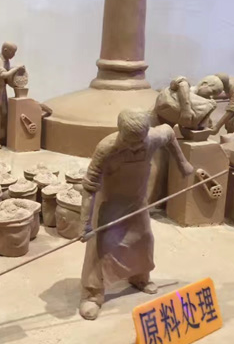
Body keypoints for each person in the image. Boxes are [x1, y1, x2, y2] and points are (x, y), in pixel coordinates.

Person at [78, 109, 194, 320]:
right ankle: (93, 294)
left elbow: (169, 133)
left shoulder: (152, 138)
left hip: (137, 200)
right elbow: (89, 186)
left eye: (139, 142)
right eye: (129, 142)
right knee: (101, 245)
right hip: (110, 202)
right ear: (120, 133)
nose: (134, 147)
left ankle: (139, 277)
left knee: (143, 239)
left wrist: (182, 163)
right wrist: (85, 223)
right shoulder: (106, 148)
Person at [0, 42, 25, 149]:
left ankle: (2, 137)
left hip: (1, 90)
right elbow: (3, 75)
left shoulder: (6, 61)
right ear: (5, 50)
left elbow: (7, 79)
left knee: (4, 112)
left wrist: (17, 81)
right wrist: (16, 69)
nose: (14, 55)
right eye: (12, 52)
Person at [154, 75, 221, 130]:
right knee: (212, 104)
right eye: (213, 91)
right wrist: (186, 109)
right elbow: (181, 82)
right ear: (204, 84)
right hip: (164, 105)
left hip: (168, 119)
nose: (211, 96)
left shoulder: (199, 101)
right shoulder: (188, 87)